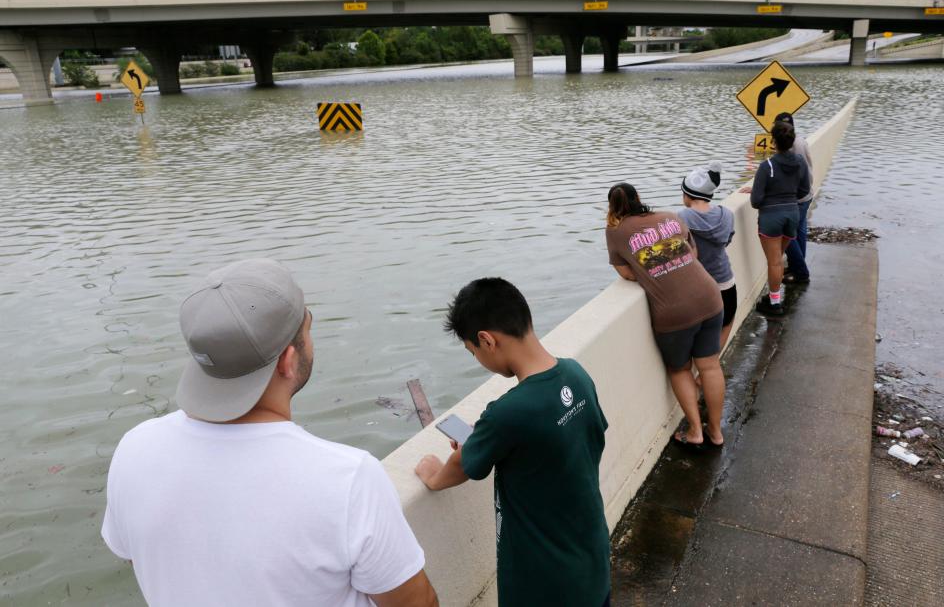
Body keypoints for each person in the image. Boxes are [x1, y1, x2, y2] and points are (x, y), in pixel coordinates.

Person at [102, 259, 437, 607]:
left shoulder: (134, 448)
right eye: (308, 328)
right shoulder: (347, 479)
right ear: (289, 360)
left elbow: (133, 553)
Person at [414, 278, 610, 607]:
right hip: (592, 560)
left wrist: (432, 475)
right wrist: (494, 436)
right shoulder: (576, 374)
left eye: (472, 350)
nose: (477, 357)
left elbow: (464, 464)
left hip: (542, 582)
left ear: (486, 340)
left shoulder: (506, 412)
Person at [605, 183, 725, 448]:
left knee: (680, 369)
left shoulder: (615, 231)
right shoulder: (669, 216)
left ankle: (695, 431)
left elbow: (625, 273)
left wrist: (650, 269)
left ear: (612, 207)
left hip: (674, 313)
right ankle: (716, 432)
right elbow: (693, 252)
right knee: (710, 366)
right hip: (709, 296)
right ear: (639, 198)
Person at [740, 121, 811, 316]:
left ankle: (774, 304)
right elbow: (805, 189)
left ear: (773, 142)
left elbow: (756, 201)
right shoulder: (800, 162)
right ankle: (774, 299)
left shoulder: (767, 166)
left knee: (774, 262)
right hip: (793, 215)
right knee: (778, 259)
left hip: (771, 218)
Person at [678, 161, 737, 349]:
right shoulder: (726, 215)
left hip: (699, 286)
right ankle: (714, 364)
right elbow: (726, 240)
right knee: (727, 322)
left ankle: (703, 370)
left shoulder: (682, 217)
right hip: (726, 282)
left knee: (700, 336)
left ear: (688, 195)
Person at [775, 111, 815, 284]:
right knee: (798, 232)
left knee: (787, 235)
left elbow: (800, 173)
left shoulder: (795, 145)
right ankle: (796, 267)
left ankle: (801, 272)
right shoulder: (798, 140)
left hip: (797, 197)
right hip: (804, 196)